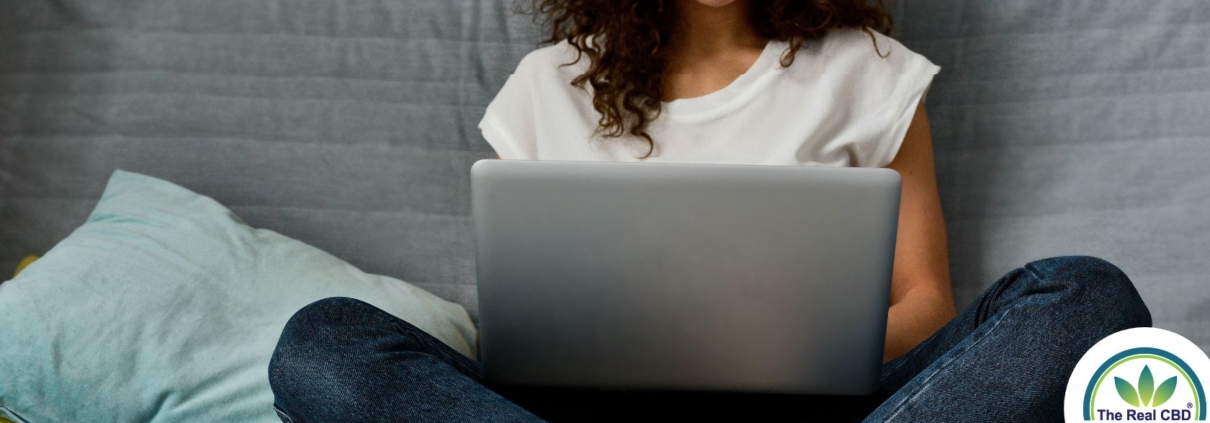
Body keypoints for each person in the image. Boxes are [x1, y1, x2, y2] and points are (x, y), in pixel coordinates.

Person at [267, 1, 1152, 421]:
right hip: (591, 412)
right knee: (322, 342)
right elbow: (522, 321)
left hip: (820, 407)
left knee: (1087, 297)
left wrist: (778, 338)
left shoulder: (870, 70)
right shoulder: (549, 87)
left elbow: (925, 303)